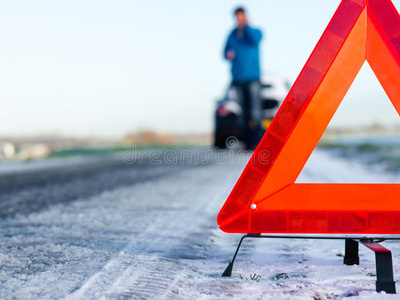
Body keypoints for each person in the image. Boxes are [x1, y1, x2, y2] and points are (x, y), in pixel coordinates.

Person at [223, 7, 263, 150]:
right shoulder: (232, 35)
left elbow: (255, 40)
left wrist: (246, 26)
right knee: (243, 113)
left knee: (255, 111)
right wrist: (228, 54)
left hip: (253, 78)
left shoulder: (254, 31)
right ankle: (247, 144)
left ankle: (257, 143)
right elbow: (224, 52)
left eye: (242, 17)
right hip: (238, 78)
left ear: (246, 16)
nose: (239, 19)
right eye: (237, 17)